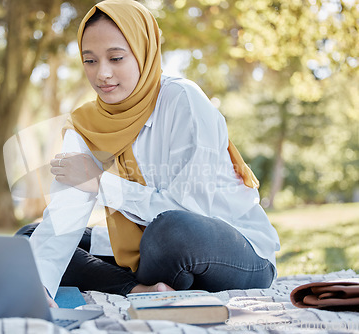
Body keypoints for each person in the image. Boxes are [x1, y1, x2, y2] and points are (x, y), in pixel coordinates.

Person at [15, 0, 280, 307]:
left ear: (144, 51)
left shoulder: (183, 101)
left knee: (170, 231)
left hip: (229, 249)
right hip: (147, 253)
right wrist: (40, 288)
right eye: (90, 61)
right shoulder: (85, 124)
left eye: (116, 58)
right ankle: (137, 289)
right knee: (28, 241)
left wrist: (100, 184)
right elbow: (63, 219)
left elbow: (191, 210)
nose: (102, 74)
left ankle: (149, 280)